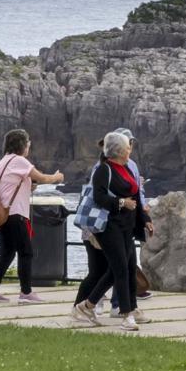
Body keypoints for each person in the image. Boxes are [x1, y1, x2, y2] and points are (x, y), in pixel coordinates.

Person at [70, 131, 149, 330]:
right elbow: (99, 197)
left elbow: (136, 197)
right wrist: (121, 203)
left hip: (126, 226)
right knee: (120, 268)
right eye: (127, 147)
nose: (130, 149)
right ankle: (127, 315)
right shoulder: (104, 170)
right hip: (108, 225)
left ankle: (87, 305)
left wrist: (145, 219)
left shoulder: (127, 169)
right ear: (119, 151)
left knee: (126, 268)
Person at [0, 129, 64, 304]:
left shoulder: (3, 161)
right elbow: (42, 177)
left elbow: (9, 185)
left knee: (7, 254)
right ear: (22, 145)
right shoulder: (19, 161)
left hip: (3, 215)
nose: (28, 148)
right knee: (26, 252)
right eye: (28, 144)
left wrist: (28, 186)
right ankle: (26, 293)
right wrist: (56, 177)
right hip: (16, 214)